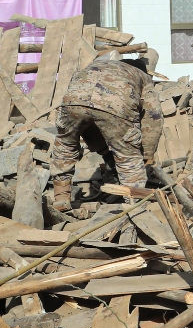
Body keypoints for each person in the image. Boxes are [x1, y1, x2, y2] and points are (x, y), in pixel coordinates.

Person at [51, 49, 163, 214]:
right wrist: (147, 156)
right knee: (128, 157)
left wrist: (106, 152)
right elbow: (153, 119)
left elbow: (88, 113)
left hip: (73, 102)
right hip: (115, 106)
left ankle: (61, 197)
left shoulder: (94, 66)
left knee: (65, 145)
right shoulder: (142, 76)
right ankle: (134, 205)